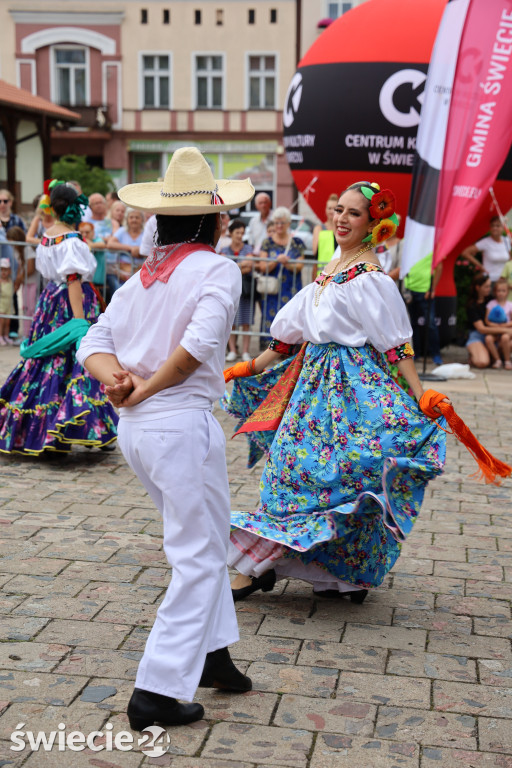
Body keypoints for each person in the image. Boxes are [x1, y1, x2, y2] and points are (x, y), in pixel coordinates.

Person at [76, 147, 255, 729]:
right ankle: (155, 688)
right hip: (175, 423)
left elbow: (92, 341)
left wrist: (120, 384)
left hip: (142, 428)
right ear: (218, 220)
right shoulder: (214, 269)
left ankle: (213, 652)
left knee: (202, 537)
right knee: (200, 556)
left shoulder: (142, 280)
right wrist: (141, 388)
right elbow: (196, 349)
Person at [223, 181, 447, 603]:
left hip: (352, 388)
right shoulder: (332, 267)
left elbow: (395, 344)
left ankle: (326, 574)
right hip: (312, 384)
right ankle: (326, 574)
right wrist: (251, 367)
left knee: (330, 475)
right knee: (291, 470)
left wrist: (419, 394)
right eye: (339, 209)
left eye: (354, 213)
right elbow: (291, 333)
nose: (341, 218)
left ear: (374, 224)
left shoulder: (370, 278)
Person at [0, 182, 118, 454]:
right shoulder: (72, 241)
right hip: (71, 303)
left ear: (52, 207)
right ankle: (66, 429)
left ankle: (48, 430)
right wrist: (78, 322)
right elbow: (74, 279)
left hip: (50, 302)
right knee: (76, 359)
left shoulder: (46, 237)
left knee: (50, 362)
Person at [258, 207, 305, 340]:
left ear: (288, 224)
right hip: (273, 289)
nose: (279, 226)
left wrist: (287, 264)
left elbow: (300, 266)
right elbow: (262, 266)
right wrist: (276, 261)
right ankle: (269, 346)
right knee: (271, 316)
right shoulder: (267, 242)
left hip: (291, 288)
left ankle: (288, 347)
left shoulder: (297, 243)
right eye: (276, 223)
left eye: (282, 223)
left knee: (291, 317)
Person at [221, 218, 255, 362]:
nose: (240, 235)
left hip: (245, 289)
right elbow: (223, 267)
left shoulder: (247, 248)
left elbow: (250, 264)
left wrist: (233, 266)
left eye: (242, 233)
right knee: (232, 320)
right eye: (237, 232)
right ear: (231, 233)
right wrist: (241, 266)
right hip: (229, 290)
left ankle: (245, 351)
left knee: (245, 320)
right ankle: (233, 350)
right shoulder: (224, 250)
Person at [403, 252, 443, 366]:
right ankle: (415, 354)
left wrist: (432, 288)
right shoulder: (409, 241)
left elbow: (439, 266)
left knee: (430, 324)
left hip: (425, 290)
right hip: (409, 289)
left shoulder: (432, 244)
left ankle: (436, 355)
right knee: (411, 324)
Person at [466, 274, 512, 369]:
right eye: (486, 287)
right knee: (482, 362)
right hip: (478, 335)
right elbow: (482, 329)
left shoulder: (492, 300)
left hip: (495, 334)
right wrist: (505, 330)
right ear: (478, 287)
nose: (489, 289)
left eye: (489, 286)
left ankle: (497, 357)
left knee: (506, 340)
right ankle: (477, 353)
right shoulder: (472, 305)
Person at [6, 226, 38, 339]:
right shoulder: (18, 250)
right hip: (25, 283)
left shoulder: (27, 248)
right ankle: (25, 334)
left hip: (33, 283)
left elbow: (30, 268)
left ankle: (31, 334)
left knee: (31, 308)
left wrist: (19, 279)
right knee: (25, 308)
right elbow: (21, 266)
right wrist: (18, 280)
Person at [461, 216, 511, 284]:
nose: (494, 228)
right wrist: (481, 266)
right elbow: (465, 252)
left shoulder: (506, 241)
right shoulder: (485, 242)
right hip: (489, 280)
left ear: (503, 227)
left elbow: (509, 259)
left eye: (498, 226)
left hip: (503, 282)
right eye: (492, 226)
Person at [106, 209, 144, 283]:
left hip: (140, 271)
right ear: (127, 219)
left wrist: (140, 251)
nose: (134, 220)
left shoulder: (146, 233)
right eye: (131, 217)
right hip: (122, 272)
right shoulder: (122, 231)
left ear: (142, 219)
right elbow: (110, 244)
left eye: (137, 217)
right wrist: (130, 248)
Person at [312, 193, 338, 280]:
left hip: (338, 272)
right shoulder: (319, 228)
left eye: (334, 208)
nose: (331, 211)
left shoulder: (341, 229)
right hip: (322, 274)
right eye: (329, 208)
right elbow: (315, 252)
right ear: (325, 210)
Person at [78, 221, 107, 298]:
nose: (84, 235)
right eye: (81, 232)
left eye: (87, 232)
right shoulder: (77, 242)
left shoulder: (97, 240)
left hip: (96, 283)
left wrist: (88, 243)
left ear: (93, 232)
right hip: (82, 282)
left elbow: (102, 245)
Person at [0, 257, 14, 346]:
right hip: (1, 304)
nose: (4, 272)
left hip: (8, 304)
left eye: (5, 270)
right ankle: (0, 336)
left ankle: (6, 335)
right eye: (2, 270)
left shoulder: (10, 281)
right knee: (1, 321)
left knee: (7, 322)